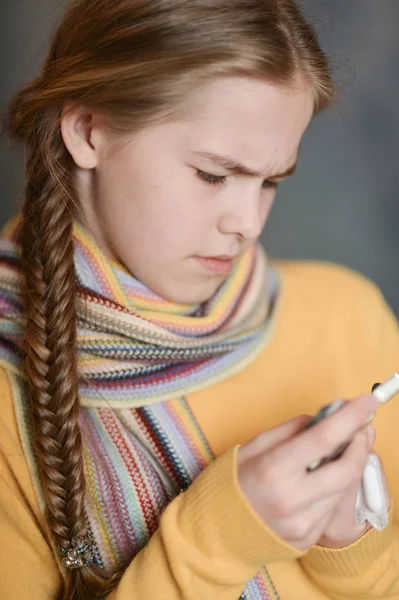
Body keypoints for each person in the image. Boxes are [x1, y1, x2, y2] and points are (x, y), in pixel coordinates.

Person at [0, 0, 398, 598]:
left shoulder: (348, 316)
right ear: (88, 131)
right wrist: (222, 539)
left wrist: (351, 548)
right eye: (213, 175)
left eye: (269, 183)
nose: (247, 223)